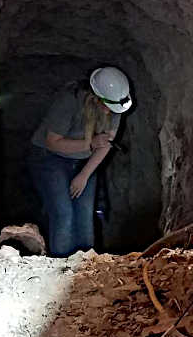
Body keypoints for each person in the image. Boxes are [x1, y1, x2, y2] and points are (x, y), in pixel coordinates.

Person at [28, 66, 132, 256]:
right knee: (64, 214)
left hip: (84, 161)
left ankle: (86, 268)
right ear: (97, 97)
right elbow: (53, 142)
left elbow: (106, 143)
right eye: (106, 107)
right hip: (50, 158)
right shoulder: (71, 101)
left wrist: (84, 175)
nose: (109, 113)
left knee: (84, 216)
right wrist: (90, 144)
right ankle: (62, 266)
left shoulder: (116, 105)